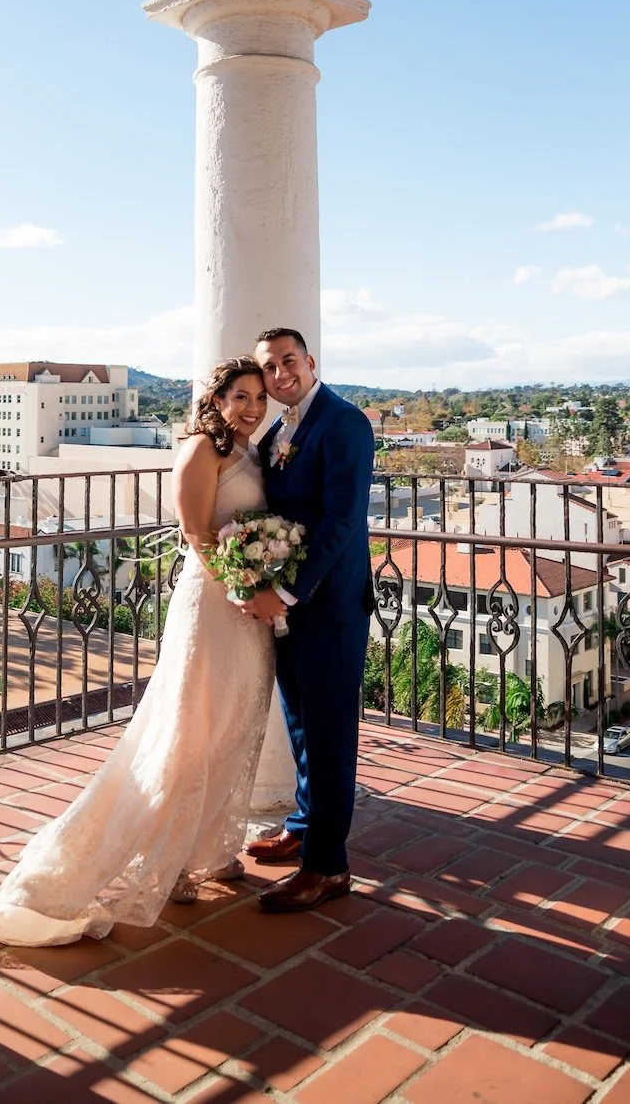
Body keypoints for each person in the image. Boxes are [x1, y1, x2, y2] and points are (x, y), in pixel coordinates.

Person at [0, 357, 278, 945]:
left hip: (246, 610)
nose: (252, 408)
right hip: (214, 605)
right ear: (218, 399)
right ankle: (149, 860)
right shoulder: (199, 452)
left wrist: (260, 582)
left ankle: (201, 850)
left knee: (233, 724)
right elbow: (196, 535)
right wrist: (241, 589)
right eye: (241, 397)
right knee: (190, 729)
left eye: (259, 398)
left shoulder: (251, 452)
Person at [244, 327, 375, 913]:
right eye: (269, 368)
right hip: (289, 605)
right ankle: (304, 823)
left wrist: (289, 591)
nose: (279, 375)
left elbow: (341, 523)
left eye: (288, 362)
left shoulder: (344, 422)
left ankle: (328, 866)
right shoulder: (278, 428)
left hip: (328, 604)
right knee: (299, 720)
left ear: (310, 360)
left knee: (329, 731)